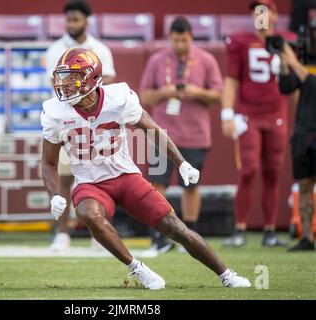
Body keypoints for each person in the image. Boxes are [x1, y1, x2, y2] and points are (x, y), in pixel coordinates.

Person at [40, 47, 251, 290]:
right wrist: (54, 193)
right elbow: (48, 162)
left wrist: (181, 163)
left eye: (73, 78)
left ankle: (225, 274)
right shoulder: (55, 112)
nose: (65, 85)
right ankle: (137, 268)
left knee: (174, 227)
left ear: (91, 78)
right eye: (63, 78)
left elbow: (153, 130)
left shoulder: (118, 98)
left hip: (126, 177)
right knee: (88, 214)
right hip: (90, 183)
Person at [139, 16, 223, 255]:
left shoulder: (206, 59)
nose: (179, 45)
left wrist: (198, 92)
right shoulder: (156, 60)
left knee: (191, 185)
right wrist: (165, 92)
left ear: (191, 37)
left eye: (184, 40)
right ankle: (159, 236)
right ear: (169, 38)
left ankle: (190, 234)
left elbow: (218, 94)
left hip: (195, 134)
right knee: (157, 184)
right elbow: (144, 97)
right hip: (161, 133)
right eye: (175, 40)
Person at [222, 0, 296, 247]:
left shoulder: (286, 40)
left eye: (265, 11)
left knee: (273, 172)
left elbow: (295, 81)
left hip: (277, 114)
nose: (260, 16)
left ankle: (270, 231)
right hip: (248, 114)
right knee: (249, 168)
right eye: (257, 12)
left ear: (275, 16)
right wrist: (226, 113)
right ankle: (240, 229)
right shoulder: (240, 41)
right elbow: (232, 80)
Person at [44, 0, 116, 251]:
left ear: (86, 20)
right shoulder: (55, 49)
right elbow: (54, 84)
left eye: (76, 19)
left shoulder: (101, 49)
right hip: (66, 120)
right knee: (64, 176)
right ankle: (62, 234)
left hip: (96, 122)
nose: (71, 24)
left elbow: (107, 81)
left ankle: (99, 233)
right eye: (69, 19)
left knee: (99, 176)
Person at [279, 43, 316, 251]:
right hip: (304, 134)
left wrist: (292, 61)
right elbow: (286, 87)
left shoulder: (305, 70)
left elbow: (312, 84)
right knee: (304, 186)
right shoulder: (306, 66)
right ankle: (307, 237)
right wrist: (284, 65)